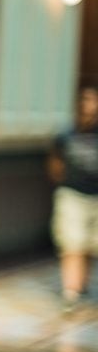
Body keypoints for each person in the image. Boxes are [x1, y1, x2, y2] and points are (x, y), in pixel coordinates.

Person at [49, 83, 98, 312]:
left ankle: (81, 285)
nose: (88, 106)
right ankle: (71, 292)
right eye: (85, 101)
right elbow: (55, 165)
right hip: (72, 193)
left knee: (89, 245)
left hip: (96, 196)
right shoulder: (66, 134)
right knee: (72, 242)